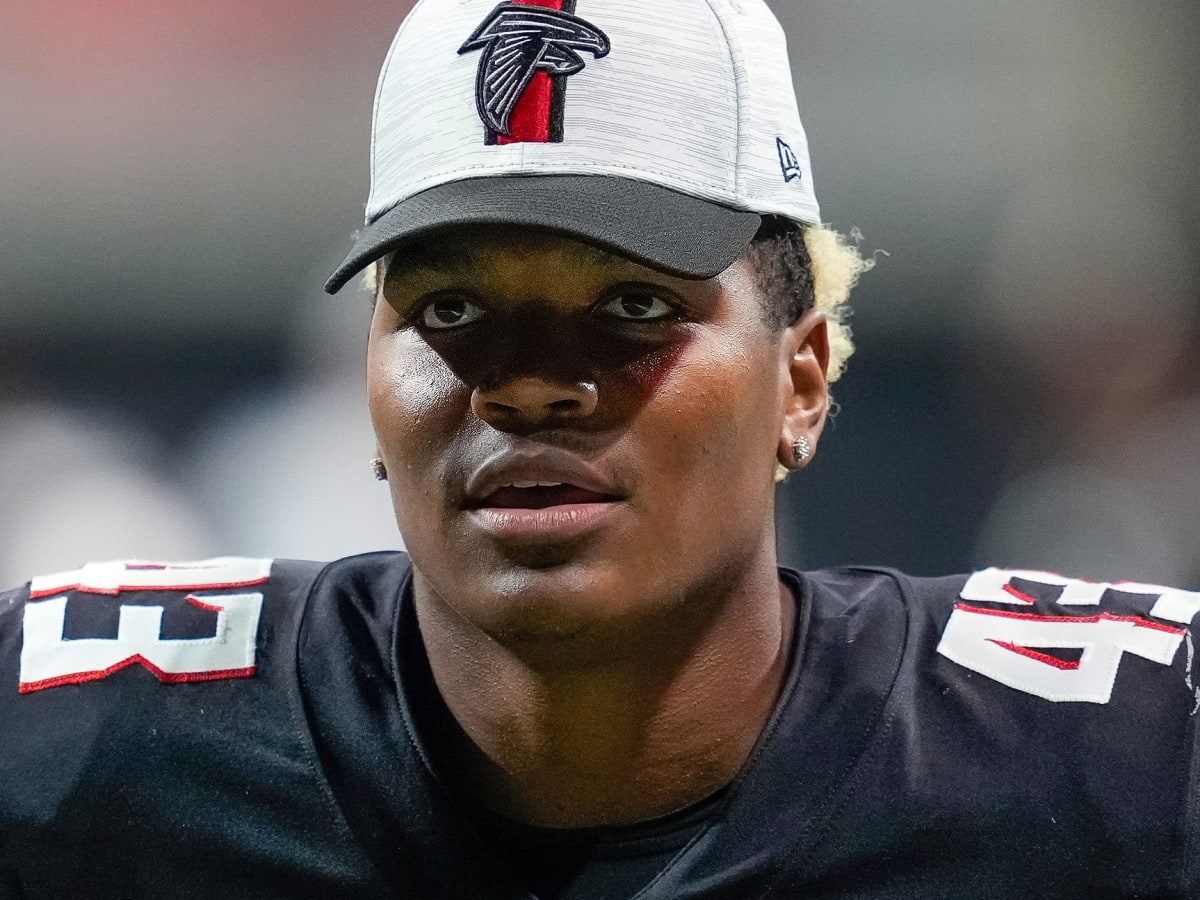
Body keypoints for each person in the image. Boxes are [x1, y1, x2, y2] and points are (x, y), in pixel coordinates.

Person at [2, 0, 1198, 897]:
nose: (526, 383)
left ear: (803, 379)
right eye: (451, 311)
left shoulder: (1128, 757)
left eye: (631, 307)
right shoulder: (79, 741)